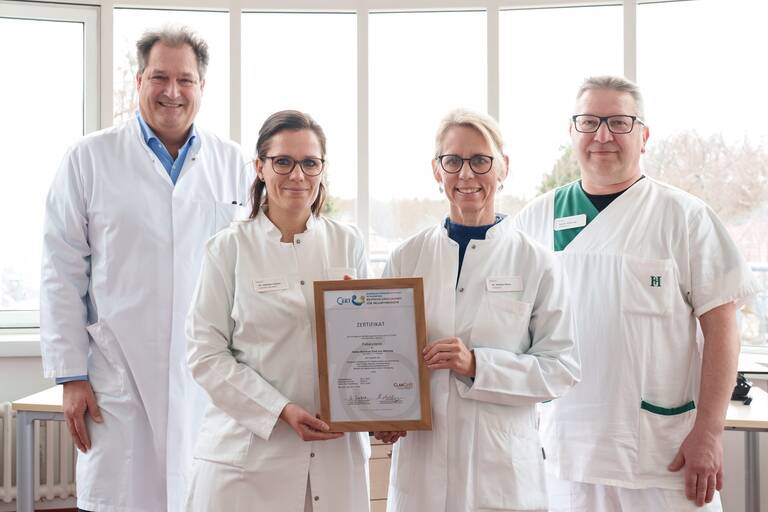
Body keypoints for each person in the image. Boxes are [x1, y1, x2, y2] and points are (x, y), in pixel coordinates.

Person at [512, 75, 760, 511]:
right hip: (566, 454)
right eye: (589, 122)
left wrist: (709, 431)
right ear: (572, 133)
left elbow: (723, 329)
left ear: (643, 136)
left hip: (665, 457)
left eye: (619, 122)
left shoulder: (683, 217)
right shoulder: (534, 220)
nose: (602, 135)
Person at [40, 26, 252, 512]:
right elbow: (61, 270)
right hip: (118, 373)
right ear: (139, 81)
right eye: (159, 77)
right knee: (123, 498)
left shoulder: (234, 163)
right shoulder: (89, 159)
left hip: (209, 374)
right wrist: (72, 376)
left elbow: (254, 262)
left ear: (202, 87)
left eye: (185, 80)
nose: (172, 92)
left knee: (205, 495)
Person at [375, 108, 580, 512]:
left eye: (480, 160)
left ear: (503, 167)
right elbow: (384, 356)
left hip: (500, 474)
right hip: (423, 469)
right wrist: (383, 410)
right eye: (452, 161)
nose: (466, 175)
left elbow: (562, 369)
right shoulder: (406, 257)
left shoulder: (535, 262)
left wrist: (477, 365)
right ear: (437, 171)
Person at [184, 110, 371, 511]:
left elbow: (371, 341)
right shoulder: (228, 248)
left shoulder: (348, 244)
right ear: (260, 168)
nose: (297, 175)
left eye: (310, 162)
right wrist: (279, 409)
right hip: (248, 459)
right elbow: (205, 354)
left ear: (322, 169)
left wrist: (386, 407)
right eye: (283, 161)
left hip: (334, 457)